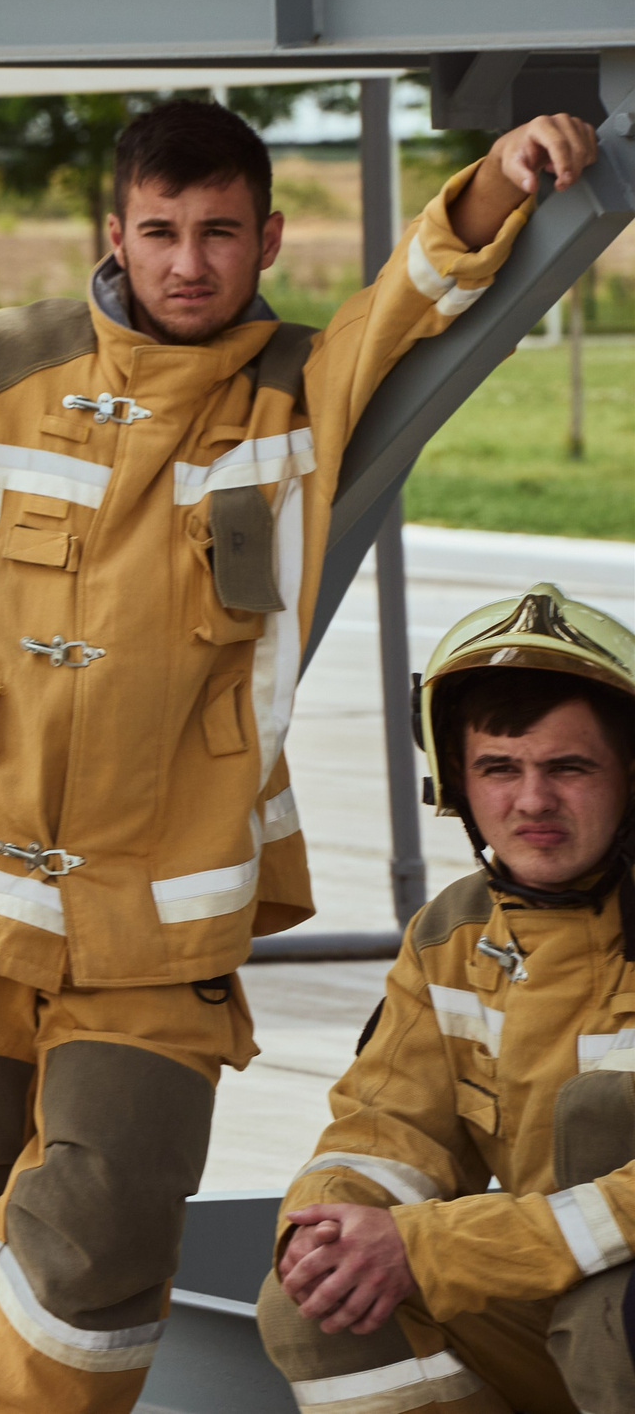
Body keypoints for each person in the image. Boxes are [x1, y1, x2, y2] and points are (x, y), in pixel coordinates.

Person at [0, 100, 602, 1414]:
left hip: (162, 923)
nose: (187, 262)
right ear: (116, 233)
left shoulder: (300, 392)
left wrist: (499, 176)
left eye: (217, 233)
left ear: (266, 238)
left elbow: (422, 282)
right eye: (160, 231)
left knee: (95, 1230)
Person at [257, 584, 635, 1414]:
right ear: (458, 783)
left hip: (609, 1309)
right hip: (549, 1287)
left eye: (568, 767)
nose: (532, 802)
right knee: (323, 1298)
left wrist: (433, 1246)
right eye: (500, 768)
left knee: (614, 1315)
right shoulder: (454, 933)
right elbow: (387, 1126)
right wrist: (329, 1228)